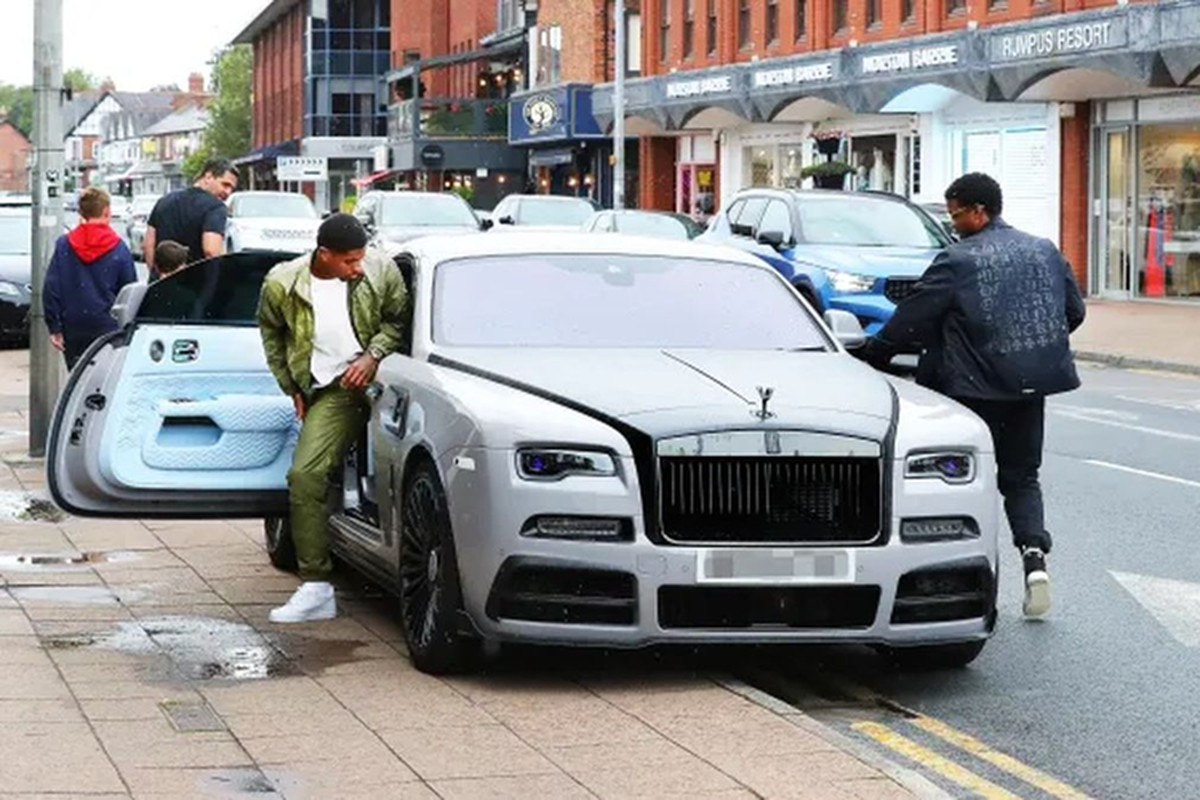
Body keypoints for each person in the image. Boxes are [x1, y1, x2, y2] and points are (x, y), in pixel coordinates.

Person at [860, 172, 1086, 619]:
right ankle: (1034, 559)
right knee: (1022, 477)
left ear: (979, 211)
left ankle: (971, 581)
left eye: (956, 213)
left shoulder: (958, 260)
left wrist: (876, 353)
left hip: (969, 395)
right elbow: (1073, 312)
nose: (953, 223)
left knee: (964, 482)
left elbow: (913, 317)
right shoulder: (1043, 249)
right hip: (1027, 388)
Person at [257, 214, 409, 623]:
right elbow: (271, 332)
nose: (359, 267)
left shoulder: (381, 270)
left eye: (361, 258)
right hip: (330, 390)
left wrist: (372, 354)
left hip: (377, 382)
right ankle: (316, 586)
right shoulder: (282, 283)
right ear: (324, 255)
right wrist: (290, 386)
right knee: (306, 476)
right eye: (350, 261)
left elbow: (398, 321)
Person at [43, 187, 138, 370]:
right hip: (108, 326)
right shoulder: (118, 247)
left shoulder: (64, 244)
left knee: (78, 378)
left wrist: (54, 326)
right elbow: (129, 292)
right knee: (105, 380)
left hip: (73, 325)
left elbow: (52, 287)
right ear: (106, 211)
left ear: (81, 212)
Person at [144, 157, 238, 274]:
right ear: (208, 177)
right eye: (225, 185)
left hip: (161, 283)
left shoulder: (164, 201)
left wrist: (155, 275)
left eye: (231, 189)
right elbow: (211, 251)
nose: (228, 192)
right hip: (194, 285)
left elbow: (148, 244)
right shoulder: (216, 207)